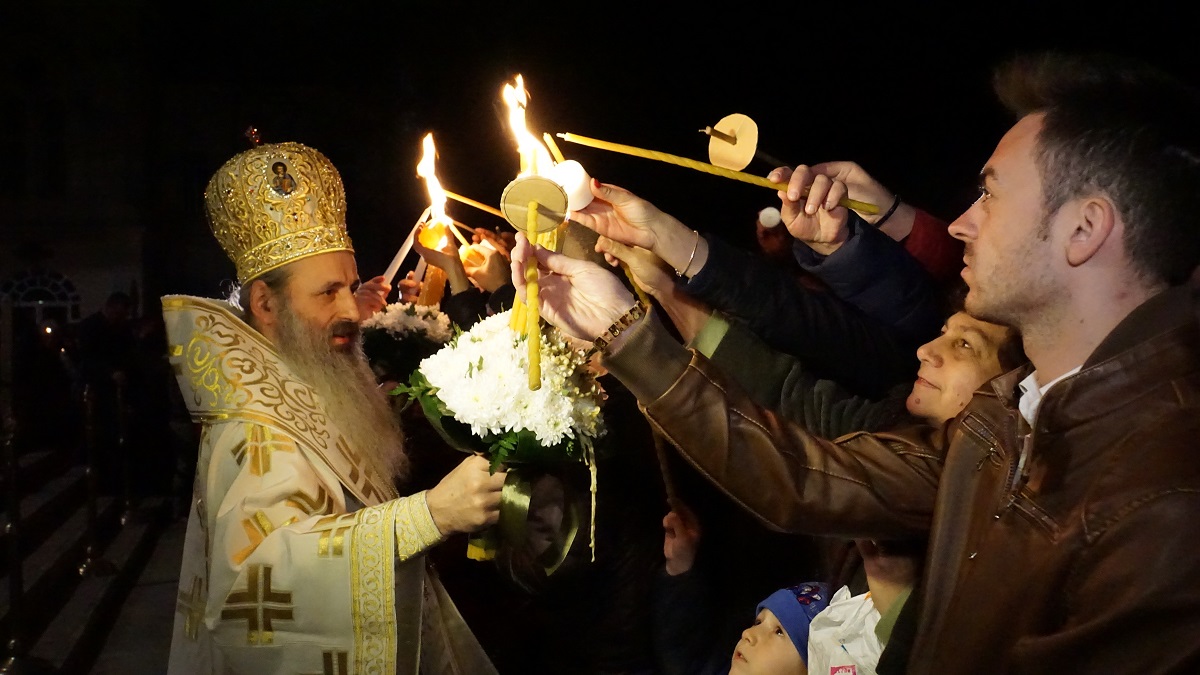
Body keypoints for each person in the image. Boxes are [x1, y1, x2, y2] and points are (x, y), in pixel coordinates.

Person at [513, 51, 1200, 672]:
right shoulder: (1006, 411)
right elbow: (805, 479)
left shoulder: (1162, 504)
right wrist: (626, 329)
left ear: (1085, 229)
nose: (960, 222)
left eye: (989, 194)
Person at [162, 141, 503, 674]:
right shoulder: (253, 429)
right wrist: (429, 515)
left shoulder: (309, 380)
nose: (351, 309)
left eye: (349, 285)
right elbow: (254, 581)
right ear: (267, 305)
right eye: (327, 294)